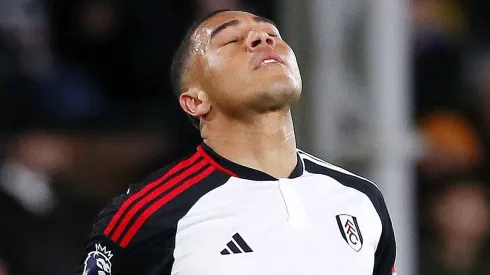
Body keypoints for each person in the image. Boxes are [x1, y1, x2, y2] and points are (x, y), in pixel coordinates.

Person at [79, 9, 396, 275]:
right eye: (230, 40)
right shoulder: (145, 215)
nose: (263, 39)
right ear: (195, 101)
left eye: (272, 33)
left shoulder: (361, 199)